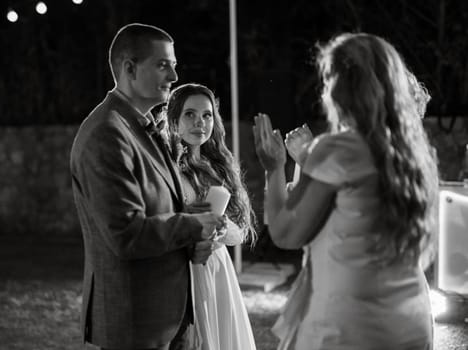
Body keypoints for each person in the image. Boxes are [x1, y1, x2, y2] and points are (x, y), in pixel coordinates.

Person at [253, 32, 438, 349]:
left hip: (350, 326)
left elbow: (285, 233)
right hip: (409, 321)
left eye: (328, 80)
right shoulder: (416, 156)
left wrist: (273, 168)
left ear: (342, 87)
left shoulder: (340, 149)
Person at [69, 24, 225, 350]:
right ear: (129, 68)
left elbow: (163, 203)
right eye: (163, 64)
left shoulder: (142, 126)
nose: (174, 75)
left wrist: (199, 222)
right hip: (136, 322)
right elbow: (126, 234)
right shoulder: (106, 134)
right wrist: (193, 225)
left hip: (171, 316)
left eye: (174, 64)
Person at [164, 83, 258, 350]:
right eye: (190, 114)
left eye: (206, 115)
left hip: (218, 267)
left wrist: (221, 227)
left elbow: (239, 234)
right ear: (174, 119)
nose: (199, 123)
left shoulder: (218, 166)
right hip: (186, 267)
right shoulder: (168, 169)